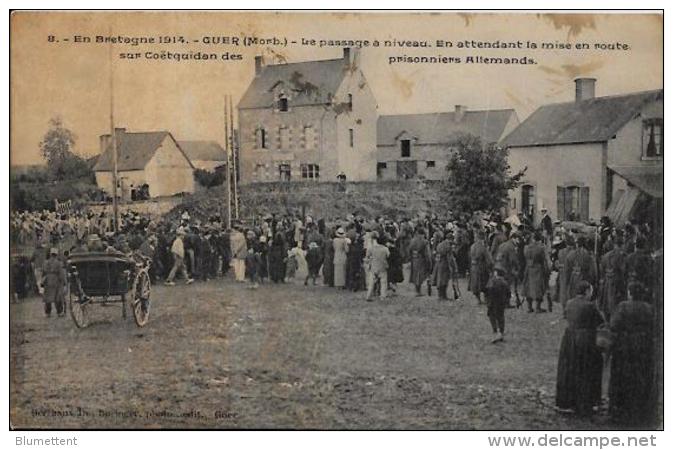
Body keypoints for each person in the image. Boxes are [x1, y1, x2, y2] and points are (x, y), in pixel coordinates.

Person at [608, 282, 655, 426]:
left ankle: (620, 407)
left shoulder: (623, 306)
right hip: (643, 345)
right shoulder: (649, 308)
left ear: (630, 293)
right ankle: (641, 409)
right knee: (641, 374)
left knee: (622, 374)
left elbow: (614, 324)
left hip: (625, 345)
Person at [555, 281, 604, 416]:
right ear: (587, 292)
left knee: (570, 369)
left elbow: (566, 316)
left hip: (569, 339)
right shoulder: (590, 306)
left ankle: (567, 401)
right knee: (586, 369)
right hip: (585, 340)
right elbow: (600, 322)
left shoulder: (569, 303)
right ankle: (586, 401)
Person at [598, 234, 627, 322]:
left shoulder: (606, 256)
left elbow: (601, 270)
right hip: (618, 283)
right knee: (616, 303)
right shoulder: (622, 256)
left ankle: (608, 321)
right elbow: (624, 271)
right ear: (622, 244)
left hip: (607, 282)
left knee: (606, 303)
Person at [523, 232, 550, 313]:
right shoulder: (541, 248)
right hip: (538, 268)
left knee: (528, 287)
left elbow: (525, 256)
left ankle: (529, 307)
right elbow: (544, 259)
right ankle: (538, 307)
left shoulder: (527, 248)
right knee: (538, 287)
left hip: (528, 268)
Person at [565, 236, 597, 300]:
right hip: (584, 278)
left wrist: (567, 281)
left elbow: (567, 270)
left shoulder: (570, 254)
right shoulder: (589, 255)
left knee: (573, 296)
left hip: (573, 277)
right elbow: (593, 271)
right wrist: (593, 281)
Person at [495, 232, 521, 307]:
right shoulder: (511, 246)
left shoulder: (503, 244)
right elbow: (513, 259)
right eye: (518, 240)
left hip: (498, 266)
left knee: (500, 285)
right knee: (507, 285)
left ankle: (500, 302)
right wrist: (517, 268)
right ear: (514, 238)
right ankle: (506, 303)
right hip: (506, 268)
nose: (518, 242)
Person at [485, 266, 510, 343]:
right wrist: (506, 301)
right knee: (500, 318)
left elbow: (486, 291)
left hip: (491, 303)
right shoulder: (504, 283)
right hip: (500, 303)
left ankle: (495, 331)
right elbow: (508, 293)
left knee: (492, 317)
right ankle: (501, 332)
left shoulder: (491, 281)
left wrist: (487, 301)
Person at [469, 231, 493, 304]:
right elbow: (488, 259)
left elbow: (469, 256)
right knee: (485, 284)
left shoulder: (472, 246)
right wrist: (491, 266)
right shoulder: (483, 247)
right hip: (481, 267)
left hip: (473, 267)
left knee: (475, 284)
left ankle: (478, 299)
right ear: (483, 238)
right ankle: (486, 299)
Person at [365, 232, 390, 301]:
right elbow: (388, 256)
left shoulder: (371, 248)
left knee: (371, 283)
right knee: (383, 282)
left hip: (374, 266)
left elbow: (367, 256)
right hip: (382, 267)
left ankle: (368, 296)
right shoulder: (385, 249)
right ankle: (383, 296)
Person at [42, 247, 65, 317]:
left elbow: (43, 272)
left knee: (47, 297)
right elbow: (61, 273)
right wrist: (63, 282)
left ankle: (47, 312)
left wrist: (43, 280)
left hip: (47, 279)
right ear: (56, 254)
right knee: (57, 297)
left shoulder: (45, 262)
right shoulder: (58, 263)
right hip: (55, 279)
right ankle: (59, 312)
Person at [409, 227, 431, 297]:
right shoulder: (424, 242)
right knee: (421, 274)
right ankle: (421, 290)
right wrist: (429, 262)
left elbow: (409, 250)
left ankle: (417, 290)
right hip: (421, 259)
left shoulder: (412, 240)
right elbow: (427, 253)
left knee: (415, 274)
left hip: (414, 258)